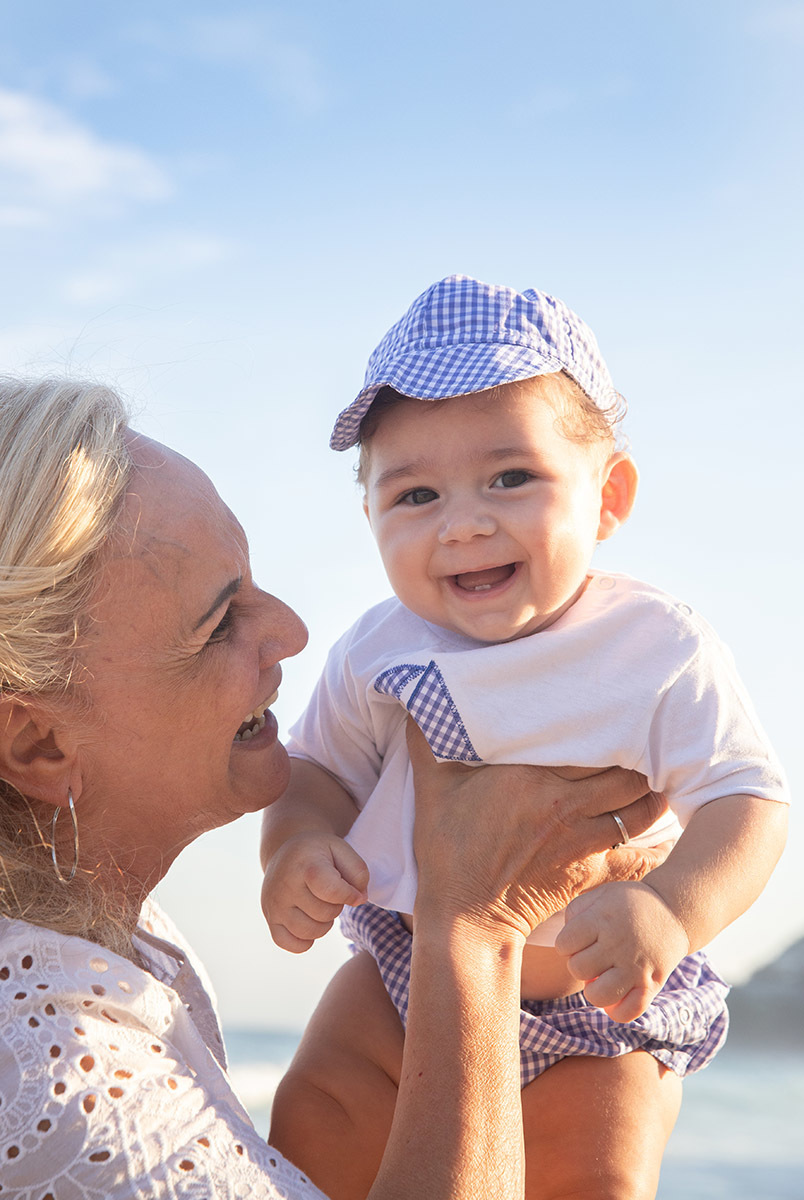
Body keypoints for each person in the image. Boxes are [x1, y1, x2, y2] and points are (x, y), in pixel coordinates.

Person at [0, 375, 670, 1199]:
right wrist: (475, 925)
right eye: (219, 622)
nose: (291, 629)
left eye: (251, 581)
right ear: (38, 742)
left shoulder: (108, 934)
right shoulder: (58, 1073)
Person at [260, 276, 790, 1199]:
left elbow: (749, 801)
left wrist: (670, 907)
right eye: (416, 494)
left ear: (608, 495)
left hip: (603, 1009)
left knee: (601, 1176)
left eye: (512, 478)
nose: (465, 521)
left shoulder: (655, 647)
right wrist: (296, 845)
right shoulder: (378, 651)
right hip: (407, 972)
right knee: (311, 1121)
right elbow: (315, 769)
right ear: (371, 520)